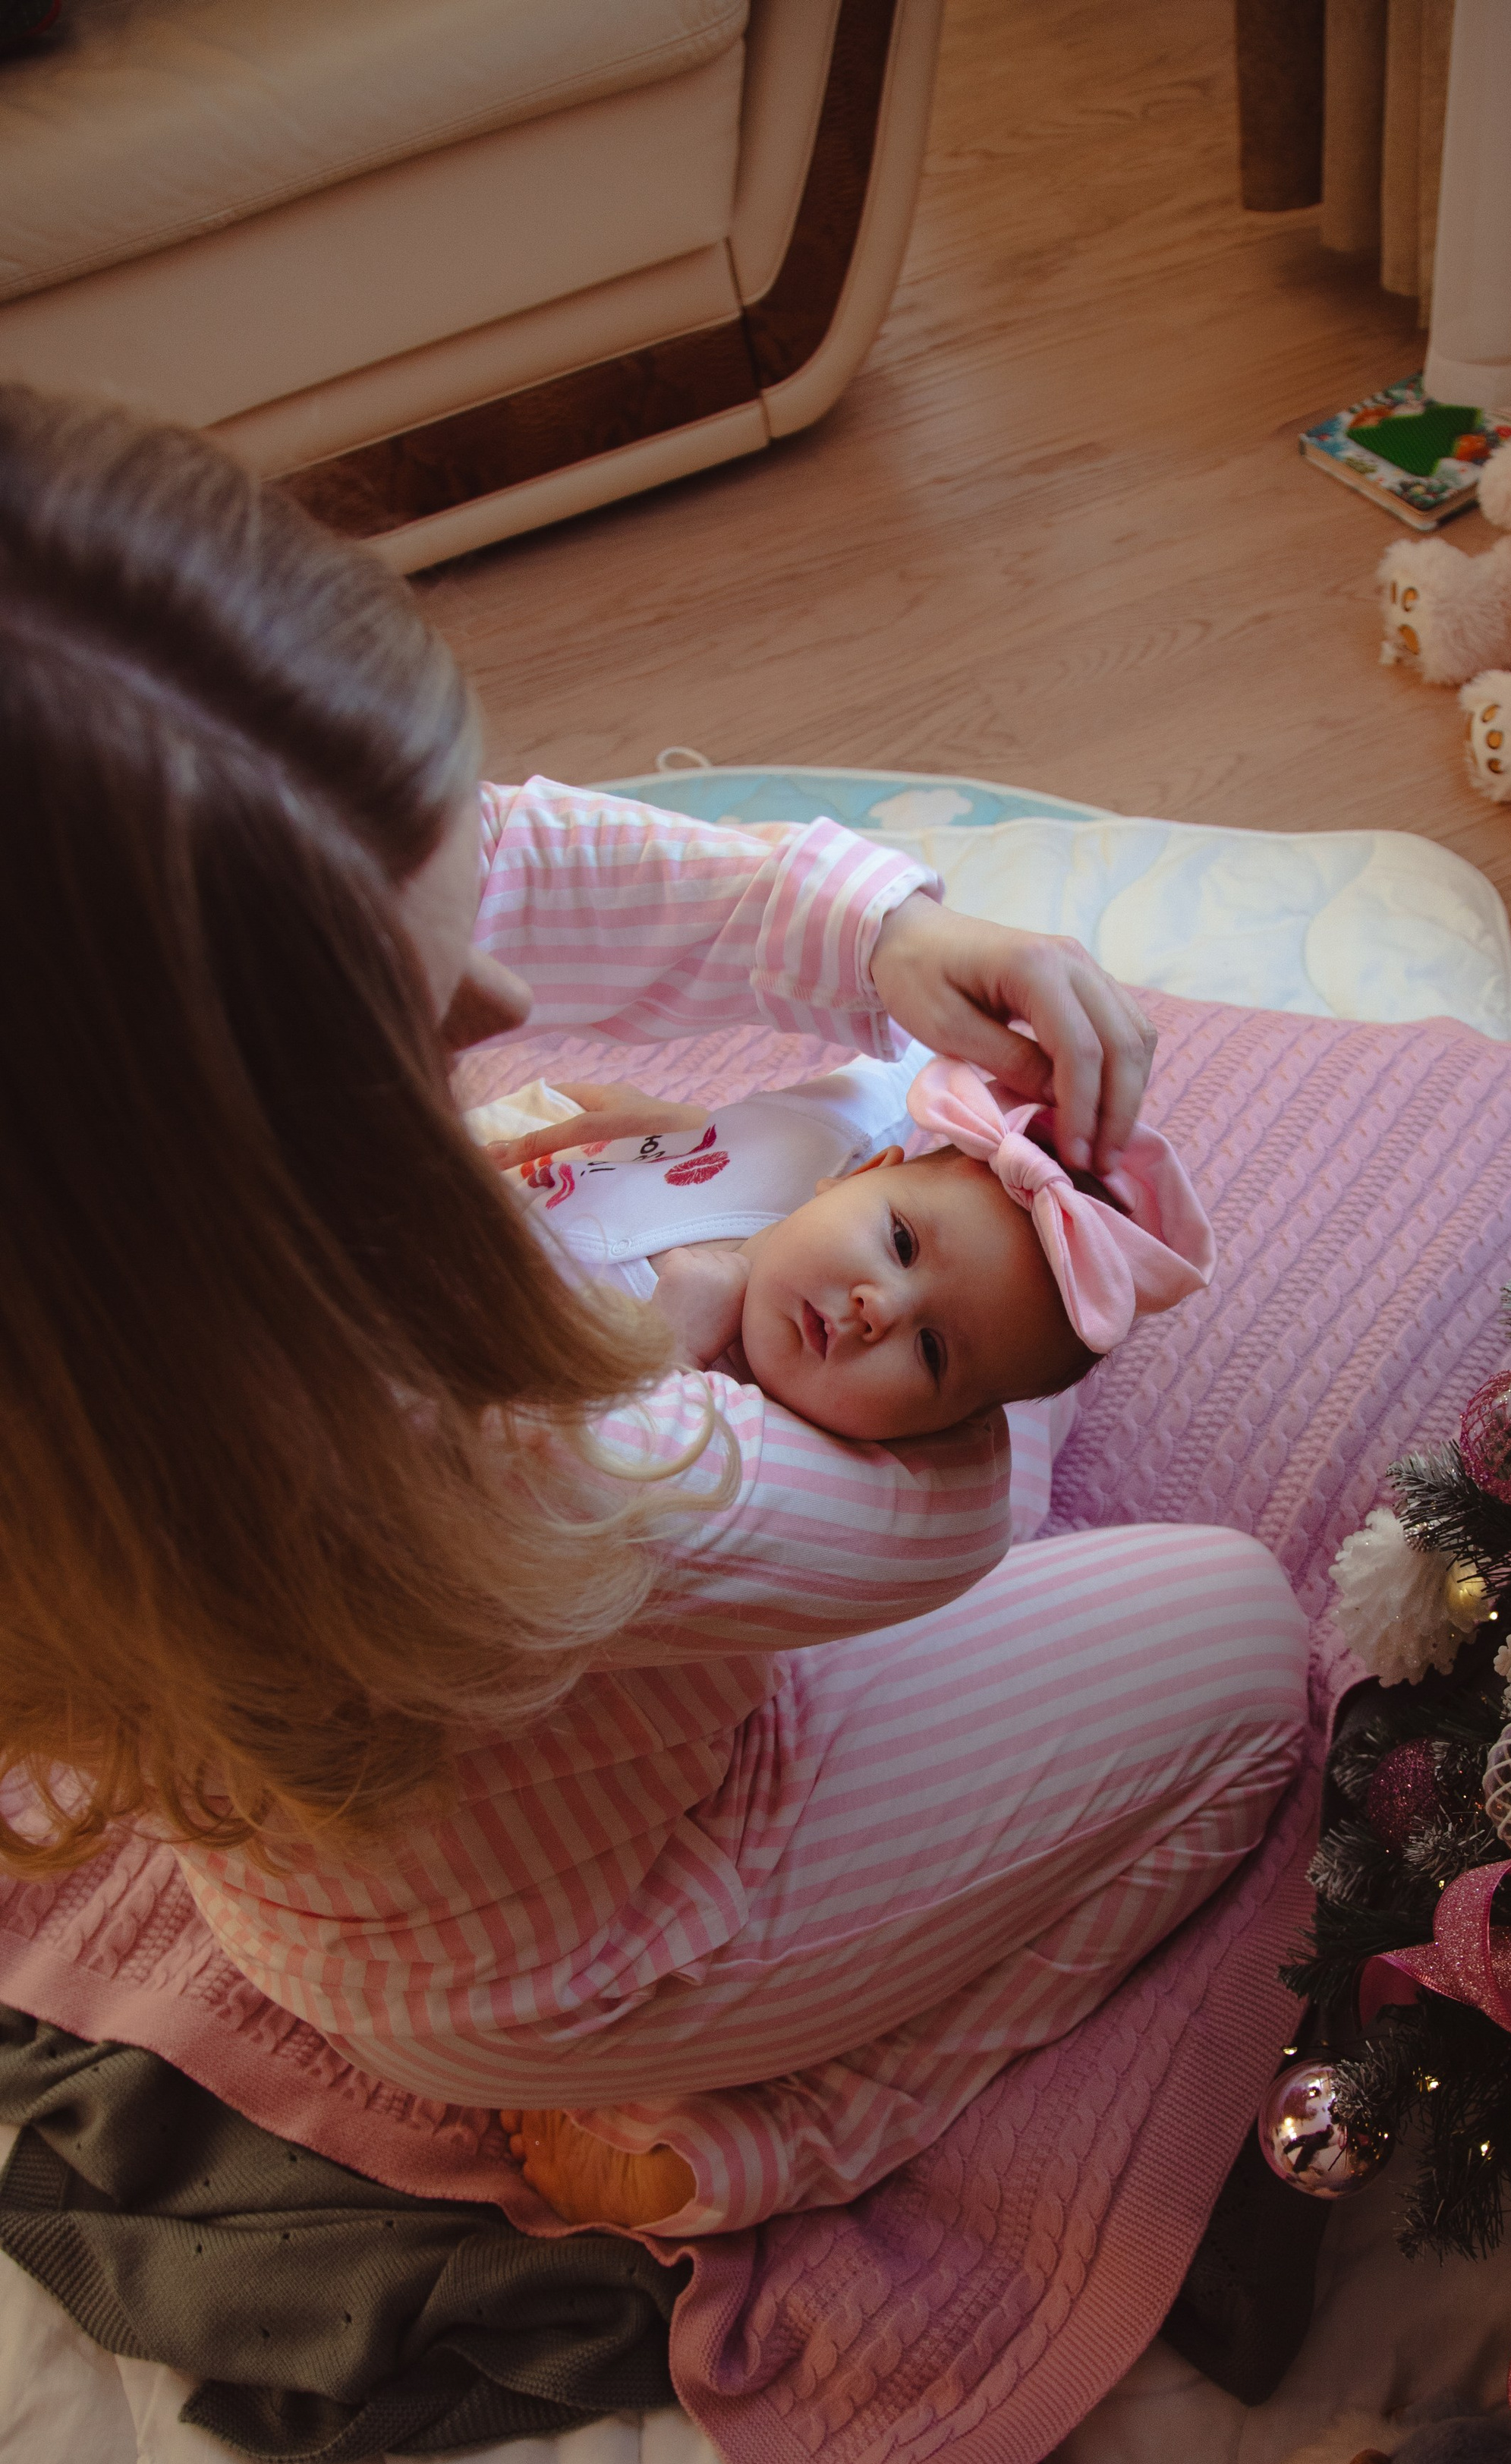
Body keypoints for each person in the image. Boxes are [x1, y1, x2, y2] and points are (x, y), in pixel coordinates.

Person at [0, 388, 1305, 2242]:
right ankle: (795, 2137)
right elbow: (934, 1522)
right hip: (598, 1939)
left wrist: (870, 941)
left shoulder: (81, 1277)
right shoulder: (484, 1461)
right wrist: (879, 1330)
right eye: (408, 1023)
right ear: (215, 1177)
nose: (503, 994)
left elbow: (508, 857)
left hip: (363, 1834)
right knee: (1241, 1640)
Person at [464, 1044, 1214, 1442]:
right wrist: (682, 1132)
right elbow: (908, 1051)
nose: (877, 1307)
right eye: (899, 1241)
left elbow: (553, 1476)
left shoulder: (764, 1440)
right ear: (867, 1173)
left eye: (930, 1352)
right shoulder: (810, 1148)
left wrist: (668, 1353)